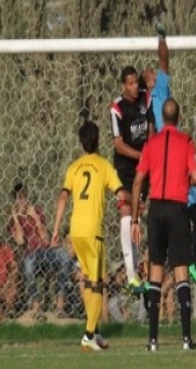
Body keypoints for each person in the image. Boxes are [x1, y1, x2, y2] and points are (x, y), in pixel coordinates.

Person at [51, 121, 130, 351]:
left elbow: (63, 198)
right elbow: (119, 192)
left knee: (88, 280)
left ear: (80, 142)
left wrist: (56, 229)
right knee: (97, 283)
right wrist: (135, 203)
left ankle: (94, 332)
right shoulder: (104, 166)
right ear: (98, 141)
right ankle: (88, 335)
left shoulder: (74, 167)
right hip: (93, 231)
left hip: (75, 231)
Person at [144, 22, 196, 297]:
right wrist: (161, 37)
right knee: (194, 214)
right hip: (170, 160)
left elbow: (163, 58)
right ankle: (185, 267)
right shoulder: (152, 97)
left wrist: (162, 40)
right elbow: (163, 59)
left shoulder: (160, 93)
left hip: (170, 158)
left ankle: (191, 266)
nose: (150, 70)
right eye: (147, 73)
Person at [131, 98, 196, 351]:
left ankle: (152, 341)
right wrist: (184, 179)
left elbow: (138, 181)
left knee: (155, 272)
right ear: (179, 118)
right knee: (181, 270)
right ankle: (185, 339)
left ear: (162, 117)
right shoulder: (187, 141)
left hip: (156, 209)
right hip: (177, 208)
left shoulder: (151, 143)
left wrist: (136, 219)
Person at [110, 59, 155, 293]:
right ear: (122, 86)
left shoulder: (143, 96)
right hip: (126, 169)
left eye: (135, 81)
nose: (134, 86)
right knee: (127, 213)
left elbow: (153, 80)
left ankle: (141, 271)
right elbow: (118, 145)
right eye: (129, 83)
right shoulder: (116, 107)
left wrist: (150, 76)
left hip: (144, 167)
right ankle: (131, 275)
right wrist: (142, 155)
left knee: (139, 216)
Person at [9, 182, 71, 320]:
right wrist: (15, 216)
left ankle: (60, 306)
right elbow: (20, 241)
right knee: (29, 266)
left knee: (64, 256)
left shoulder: (37, 211)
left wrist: (35, 218)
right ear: (15, 200)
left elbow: (46, 241)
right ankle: (36, 306)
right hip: (30, 255)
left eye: (25, 196)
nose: (23, 199)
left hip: (45, 252)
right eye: (19, 197)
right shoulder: (13, 220)